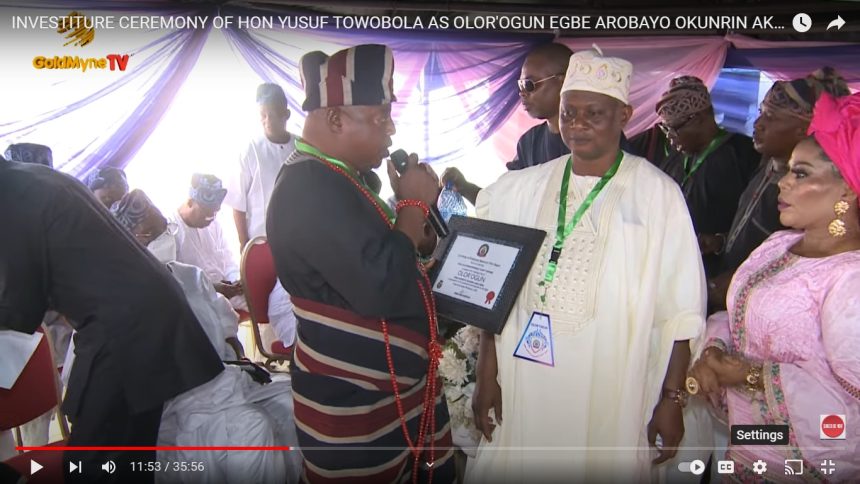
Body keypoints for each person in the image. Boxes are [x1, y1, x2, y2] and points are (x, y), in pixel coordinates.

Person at [465, 46, 705, 482]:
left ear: (625, 115)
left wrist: (672, 400)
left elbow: (681, 311)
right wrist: (487, 375)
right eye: (569, 112)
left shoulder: (658, 196)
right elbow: (493, 291)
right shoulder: (520, 189)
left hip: (611, 379)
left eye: (593, 113)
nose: (576, 125)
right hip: (527, 379)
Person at [266, 44, 455, 483]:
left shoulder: (336, 176)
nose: (391, 129)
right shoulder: (308, 186)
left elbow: (382, 257)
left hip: (380, 397)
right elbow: (380, 286)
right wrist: (410, 205)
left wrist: (413, 229)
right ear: (336, 120)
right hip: (354, 406)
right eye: (380, 117)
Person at [0, 160, 222, 484]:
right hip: (145, 314)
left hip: (126, 326)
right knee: (127, 455)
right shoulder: (30, 178)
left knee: (97, 460)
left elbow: (18, 302)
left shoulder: (10, 196)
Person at [687, 91, 860, 481]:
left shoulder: (850, 280)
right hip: (746, 452)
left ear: (848, 189)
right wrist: (715, 349)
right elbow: (736, 317)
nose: (782, 183)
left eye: (801, 173)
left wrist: (746, 375)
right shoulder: (777, 245)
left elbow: (851, 419)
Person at [110, 190, 302, 484]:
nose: (166, 239)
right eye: (155, 234)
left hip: (224, 380)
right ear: (132, 241)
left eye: (167, 230)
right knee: (252, 428)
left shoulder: (191, 277)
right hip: (177, 403)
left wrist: (239, 360)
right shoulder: (117, 297)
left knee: (293, 401)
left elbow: (227, 332)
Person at [708, 67, 850, 311]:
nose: (758, 123)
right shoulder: (766, 167)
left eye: (771, 117)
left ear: (805, 129)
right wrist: (721, 242)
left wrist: (739, 285)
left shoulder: (816, 200)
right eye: (762, 112)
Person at [652, 76, 759, 277]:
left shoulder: (744, 154)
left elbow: (752, 220)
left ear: (699, 118)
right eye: (666, 129)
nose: (670, 137)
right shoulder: (674, 160)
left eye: (675, 128)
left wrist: (720, 240)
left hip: (719, 272)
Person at [225, 82, 298, 348]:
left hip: (297, 244)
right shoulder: (250, 150)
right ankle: (278, 353)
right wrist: (244, 244)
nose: (266, 121)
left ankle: (295, 349)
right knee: (265, 308)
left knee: (295, 299)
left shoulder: (301, 147)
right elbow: (237, 203)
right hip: (261, 244)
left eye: (271, 114)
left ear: (286, 114)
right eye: (262, 116)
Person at [169, 173, 245, 308]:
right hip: (196, 302)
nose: (211, 218)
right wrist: (212, 288)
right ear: (190, 202)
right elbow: (175, 282)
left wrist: (235, 281)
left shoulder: (213, 223)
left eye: (215, 212)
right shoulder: (170, 231)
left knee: (262, 299)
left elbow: (228, 260)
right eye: (206, 212)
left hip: (227, 293)